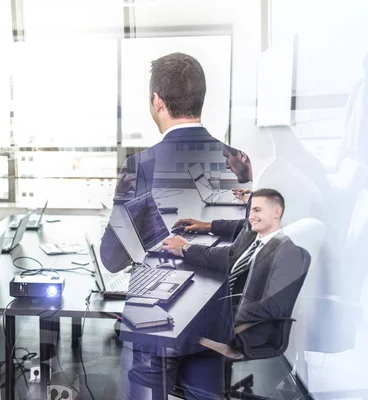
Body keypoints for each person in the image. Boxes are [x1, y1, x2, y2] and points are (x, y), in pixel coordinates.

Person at [101, 52, 242, 400]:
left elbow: (112, 258)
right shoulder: (238, 160)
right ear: (201, 99)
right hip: (214, 319)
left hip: (155, 321)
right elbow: (238, 248)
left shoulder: (140, 165)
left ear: (157, 101)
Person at [163, 189, 311, 350]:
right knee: (181, 312)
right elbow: (246, 226)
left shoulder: (285, 252)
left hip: (245, 330)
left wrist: (186, 248)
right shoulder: (268, 234)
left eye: (256, 210)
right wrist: (209, 226)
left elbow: (231, 259)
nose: (251, 217)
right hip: (243, 310)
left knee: (171, 328)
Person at [173, 143, 253, 242]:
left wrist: (185, 248)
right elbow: (248, 226)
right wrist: (207, 226)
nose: (227, 165)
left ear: (242, 155)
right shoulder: (261, 191)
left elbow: (232, 253)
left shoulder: (263, 196)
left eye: (227, 157)